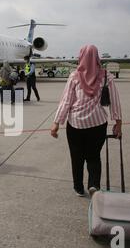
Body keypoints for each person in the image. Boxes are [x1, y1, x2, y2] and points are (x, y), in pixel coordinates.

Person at [50, 45, 122, 197]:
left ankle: (78, 187)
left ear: (80, 57)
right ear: (97, 58)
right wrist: (118, 123)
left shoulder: (74, 76)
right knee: (94, 156)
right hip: (97, 125)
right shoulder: (106, 76)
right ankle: (94, 184)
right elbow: (115, 101)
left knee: (77, 158)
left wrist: (56, 122)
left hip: (76, 125)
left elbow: (66, 101)